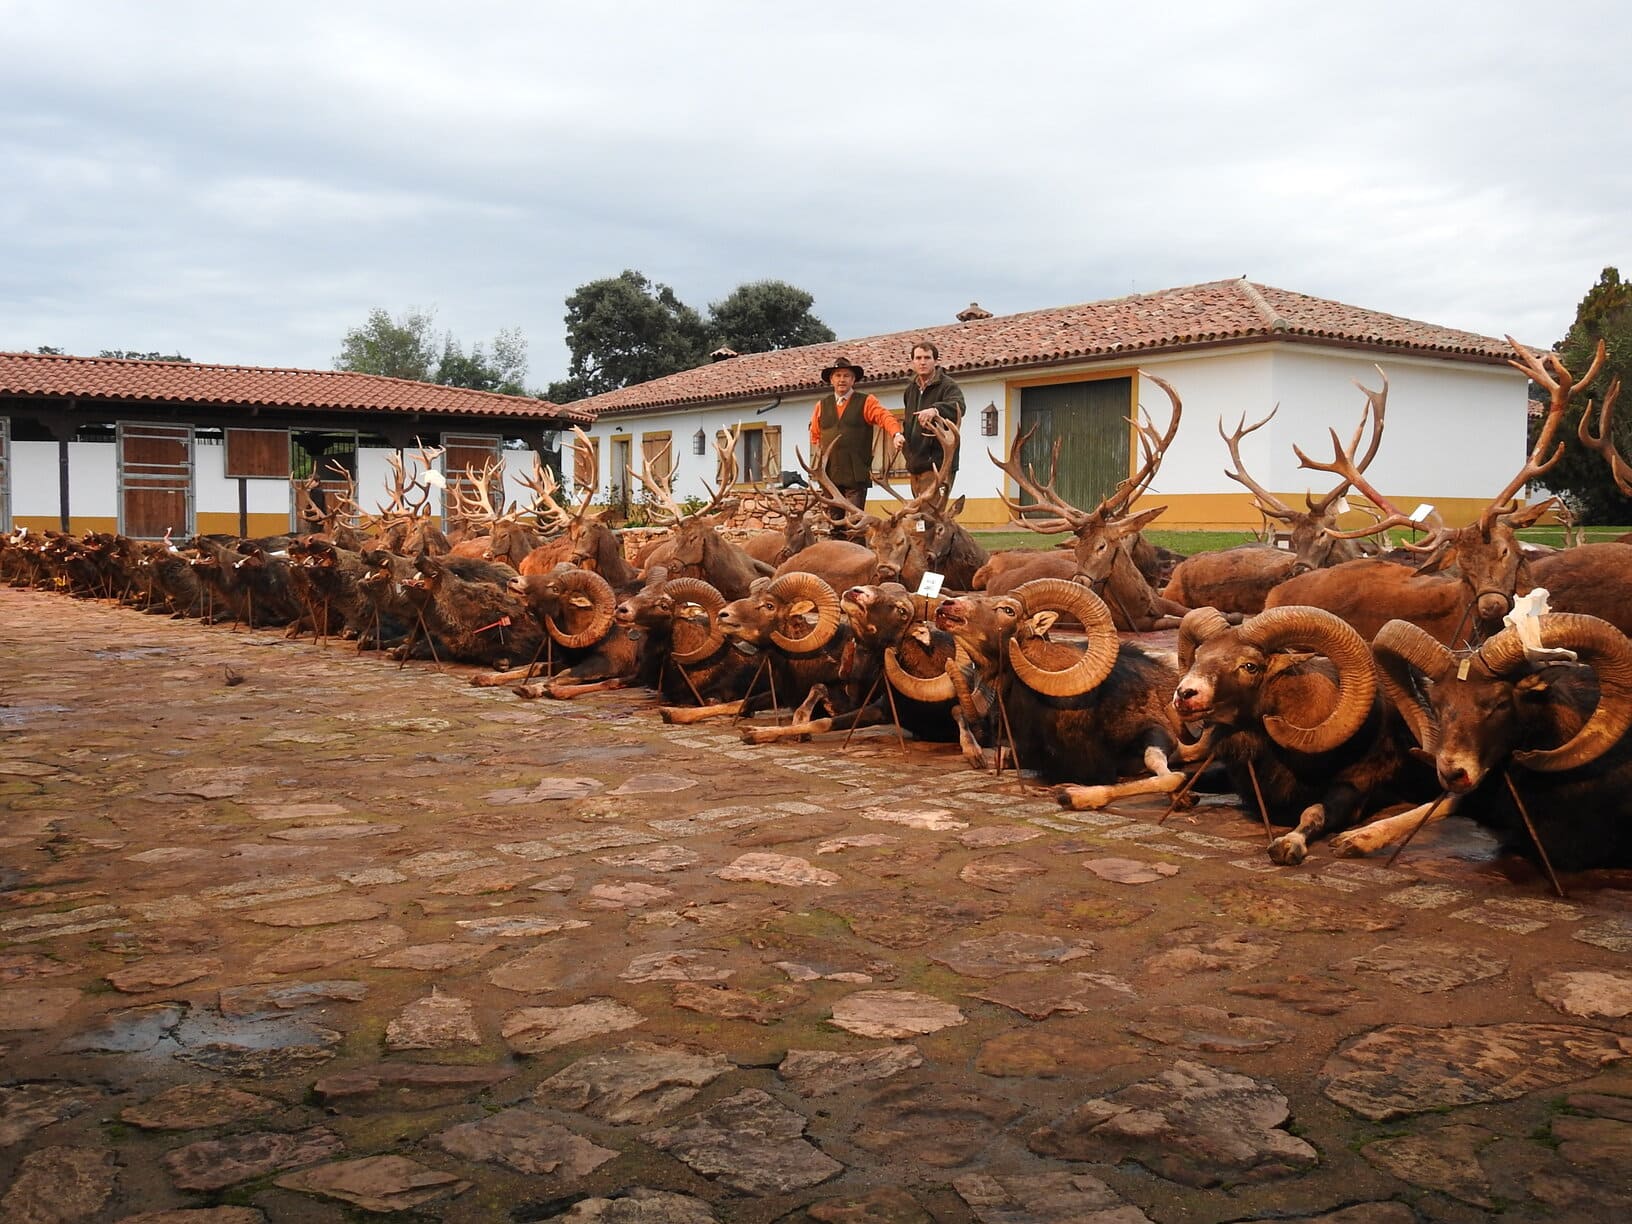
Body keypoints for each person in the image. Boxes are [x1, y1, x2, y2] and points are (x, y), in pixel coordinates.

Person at [808, 356, 903, 539]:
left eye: (846, 375)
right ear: (831, 380)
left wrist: (896, 434)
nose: (842, 379)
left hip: (855, 474)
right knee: (834, 525)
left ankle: (858, 563)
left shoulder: (866, 402)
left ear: (853, 380)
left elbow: (885, 417)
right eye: (837, 375)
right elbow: (815, 435)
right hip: (830, 476)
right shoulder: (821, 406)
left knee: (856, 524)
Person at [901, 339, 966, 497]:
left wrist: (935, 410)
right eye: (918, 358)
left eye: (927, 358)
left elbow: (959, 406)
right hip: (916, 464)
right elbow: (909, 424)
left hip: (938, 464)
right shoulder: (910, 390)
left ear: (935, 361)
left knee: (931, 513)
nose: (922, 362)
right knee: (920, 516)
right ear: (912, 362)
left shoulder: (948, 386)